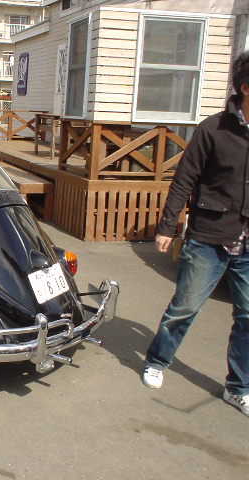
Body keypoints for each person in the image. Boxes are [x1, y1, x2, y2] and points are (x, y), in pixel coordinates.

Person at [142, 51, 249, 417]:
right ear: (245, 88)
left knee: (248, 317)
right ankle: (157, 360)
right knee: (185, 307)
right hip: (209, 236)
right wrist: (167, 227)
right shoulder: (214, 129)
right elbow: (184, 179)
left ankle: (238, 387)